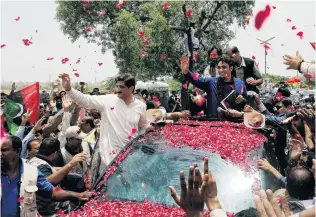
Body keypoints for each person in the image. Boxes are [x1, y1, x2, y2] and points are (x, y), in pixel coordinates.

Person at [58, 73, 148, 165]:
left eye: (122, 87)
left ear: (131, 88)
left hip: (131, 158)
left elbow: (142, 128)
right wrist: (69, 89)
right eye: (117, 86)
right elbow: (86, 100)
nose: (118, 89)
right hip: (109, 161)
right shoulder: (108, 101)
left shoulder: (141, 106)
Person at [1, 135, 92, 217]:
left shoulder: (31, 172)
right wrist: (70, 164)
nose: (0, 154)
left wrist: (78, 195)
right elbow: (49, 180)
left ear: (17, 151)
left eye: (4, 150)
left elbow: (52, 192)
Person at [181, 56, 248, 118]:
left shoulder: (240, 84)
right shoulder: (211, 82)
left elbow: (247, 106)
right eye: (219, 67)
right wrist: (186, 72)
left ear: (231, 68)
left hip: (234, 124)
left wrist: (243, 100)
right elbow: (196, 80)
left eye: (224, 67)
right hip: (213, 123)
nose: (220, 70)